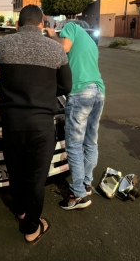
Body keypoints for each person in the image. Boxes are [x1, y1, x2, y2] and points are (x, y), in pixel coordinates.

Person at [0, 5, 72, 243]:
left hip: (12, 125)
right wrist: (45, 94)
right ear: (41, 24)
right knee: (36, 179)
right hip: (41, 126)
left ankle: (20, 211)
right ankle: (31, 228)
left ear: (18, 24)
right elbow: (66, 87)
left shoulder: (2, 45)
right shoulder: (55, 50)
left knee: (16, 173)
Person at [45, 20, 105, 210]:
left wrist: (52, 35)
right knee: (90, 141)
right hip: (98, 92)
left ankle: (78, 194)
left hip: (81, 93)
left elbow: (63, 48)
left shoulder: (70, 27)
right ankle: (86, 183)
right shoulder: (89, 43)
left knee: (74, 145)